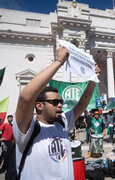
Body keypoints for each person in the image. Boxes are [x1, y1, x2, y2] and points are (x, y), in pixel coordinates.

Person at [13, 46, 100, 180]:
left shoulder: (62, 122)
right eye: (54, 102)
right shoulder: (27, 129)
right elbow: (25, 98)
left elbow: (82, 104)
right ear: (39, 105)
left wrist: (93, 79)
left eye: (60, 101)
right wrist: (59, 61)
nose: (60, 105)